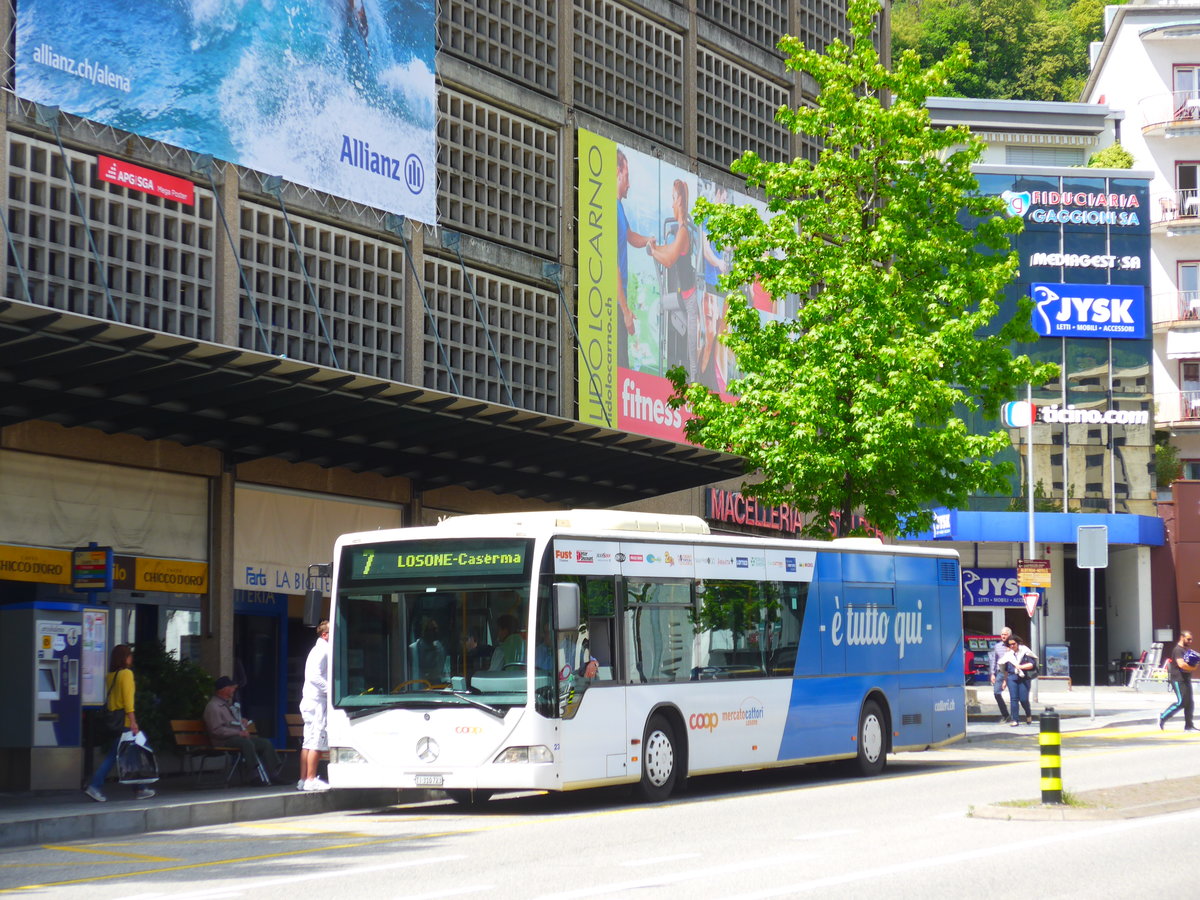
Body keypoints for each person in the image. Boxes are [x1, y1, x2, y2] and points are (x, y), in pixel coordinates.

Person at [84, 644, 155, 802]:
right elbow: (128, 701)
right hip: (125, 722)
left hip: (114, 721)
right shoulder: (126, 674)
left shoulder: (110, 676)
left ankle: (139, 788)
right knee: (118, 755)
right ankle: (95, 786)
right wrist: (134, 722)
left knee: (129, 753)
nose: (131, 658)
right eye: (129, 655)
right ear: (125, 657)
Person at [648, 179, 701, 379]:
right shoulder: (680, 232)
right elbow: (668, 250)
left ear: (679, 201)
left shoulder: (684, 233)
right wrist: (654, 247)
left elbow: (669, 260)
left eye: (672, 199)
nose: (671, 204)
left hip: (690, 299)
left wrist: (654, 251)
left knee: (692, 352)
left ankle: (693, 383)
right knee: (662, 306)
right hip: (682, 296)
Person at [204, 675, 285, 786]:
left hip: (235, 738)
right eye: (231, 687)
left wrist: (241, 722)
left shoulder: (226, 705)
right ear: (224, 689)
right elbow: (216, 730)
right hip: (223, 740)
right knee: (246, 743)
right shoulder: (213, 707)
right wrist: (238, 732)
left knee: (264, 743)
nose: (234, 690)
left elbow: (231, 723)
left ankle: (274, 774)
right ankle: (253, 775)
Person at [616, 150, 652, 370]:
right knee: (621, 365)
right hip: (615, 303)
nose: (629, 184)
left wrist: (649, 240)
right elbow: (613, 268)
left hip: (620, 300)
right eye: (627, 176)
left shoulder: (619, 207)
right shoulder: (610, 206)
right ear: (618, 173)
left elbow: (629, 236)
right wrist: (626, 311)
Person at [299, 620, 332, 791]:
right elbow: (315, 676)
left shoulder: (316, 649)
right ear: (325, 634)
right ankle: (311, 779)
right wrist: (331, 690)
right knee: (317, 742)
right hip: (317, 701)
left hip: (309, 700)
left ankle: (303, 779)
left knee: (308, 741)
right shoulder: (323, 650)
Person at [1160, 630, 1197, 731]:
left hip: (1186, 679)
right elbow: (1181, 665)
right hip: (1178, 679)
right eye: (1188, 639)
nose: (1190, 641)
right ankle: (1163, 716)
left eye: (1191, 639)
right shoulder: (1178, 650)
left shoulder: (1186, 650)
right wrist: (1193, 668)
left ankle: (1189, 726)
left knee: (1190, 703)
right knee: (1182, 702)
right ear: (1182, 637)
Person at [999, 636, 1038, 726]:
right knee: (1014, 699)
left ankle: (1028, 714)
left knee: (1024, 699)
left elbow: (1032, 664)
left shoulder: (1025, 652)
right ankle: (1015, 720)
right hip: (1012, 678)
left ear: (1017, 643)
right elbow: (1005, 669)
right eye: (1010, 644)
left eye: (1014, 644)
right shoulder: (1008, 655)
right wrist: (1004, 681)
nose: (1012, 646)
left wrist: (1020, 667)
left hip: (1024, 678)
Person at [409, 618, 447, 684]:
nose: (436, 632)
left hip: (438, 688)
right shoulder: (413, 648)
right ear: (424, 631)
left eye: (436, 629)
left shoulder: (440, 648)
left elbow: (443, 671)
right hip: (418, 689)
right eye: (432, 629)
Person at [989, 626, 1012, 723]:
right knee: (996, 693)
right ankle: (1005, 714)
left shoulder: (1013, 645)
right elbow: (994, 660)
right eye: (1002, 634)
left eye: (1005, 634)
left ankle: (1016, 716)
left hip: (1011, 672)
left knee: (1015, 695)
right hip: (1000, 672)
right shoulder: (997, 646)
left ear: (1009, 635)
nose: (1003, 636)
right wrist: (992, 674)